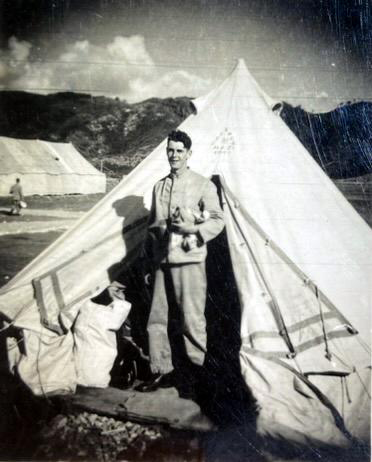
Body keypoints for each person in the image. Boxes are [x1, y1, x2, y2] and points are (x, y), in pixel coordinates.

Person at [135, 130, 224, 395]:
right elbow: (154, 227)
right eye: (170, 151)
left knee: (192, 319)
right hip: (162, 259)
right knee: (157, 317)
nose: (174, 155)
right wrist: (150, 263)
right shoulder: (159, 186)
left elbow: (218, 219)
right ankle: (161, 370)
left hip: (189, 260)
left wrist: (195, 232)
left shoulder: (203, 185)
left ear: (189, 154)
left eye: (179, 151)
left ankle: (196, 375)